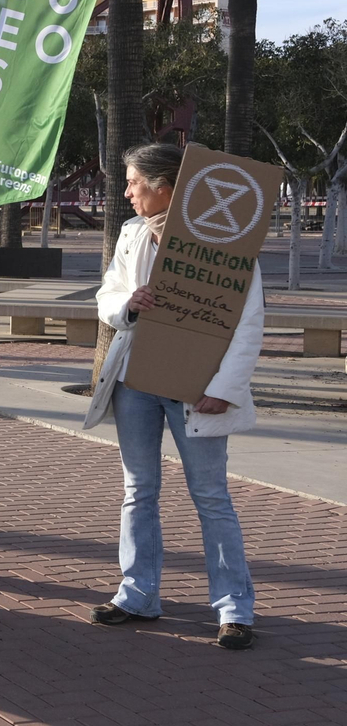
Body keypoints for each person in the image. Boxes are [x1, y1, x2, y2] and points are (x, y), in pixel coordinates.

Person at [84, 142, 259, 650]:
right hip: (135, 383)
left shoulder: (223, 237)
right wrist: (127, 304)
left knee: (211, 497)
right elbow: (106, 293)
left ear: (164, 187)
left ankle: (234, 609)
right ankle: (137, 595)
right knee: (138, 491)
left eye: (134, 182)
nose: (127, 192)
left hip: (196, 390)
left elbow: (248, 325)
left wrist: (222, 389)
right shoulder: (131, 232)